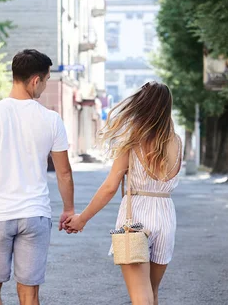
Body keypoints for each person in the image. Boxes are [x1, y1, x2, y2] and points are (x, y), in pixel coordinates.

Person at [0, 49, 76, 305]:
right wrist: (69, 209)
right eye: (46, 80)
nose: (45, 86)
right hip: (34, 214)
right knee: (29, 293)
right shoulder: (52, 120)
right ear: (35, 80)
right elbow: (64, 172)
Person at [65, 81, 182, 305]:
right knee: (152, 294)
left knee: (141, 298)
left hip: (136, 217)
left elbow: (110, 187)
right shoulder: (176, 141)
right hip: (166, 216)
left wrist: (82, 219)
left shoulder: (133, 141)